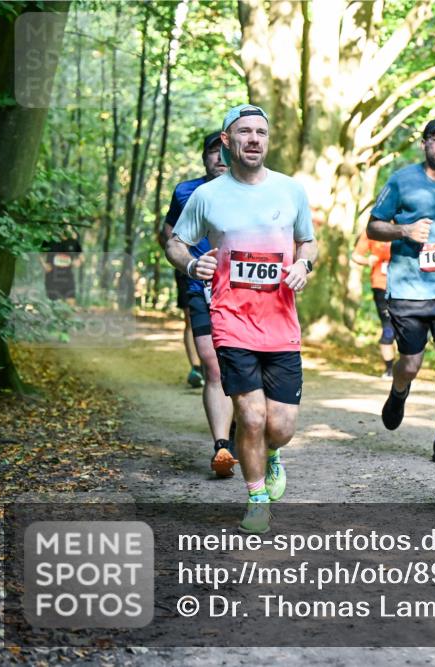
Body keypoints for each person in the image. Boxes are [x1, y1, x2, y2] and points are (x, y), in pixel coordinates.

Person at [166, 104, 317, 534]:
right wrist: (189, 264)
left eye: (260, 133)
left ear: (268, 141)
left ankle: (272, 455)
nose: (254, 139)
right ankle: (256, 498)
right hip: (231, 321)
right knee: (250, 417)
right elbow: (177, 242)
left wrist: (304, 266)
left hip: (281, 323)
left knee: (280, 427)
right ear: (227, 141)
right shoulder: (207, 195)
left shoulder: (291, 191)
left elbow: (308, 242)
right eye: (244, 132)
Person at [367, 118, 435, 466]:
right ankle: (399, 390)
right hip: (409, 288)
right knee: (410, 363)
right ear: (424, 144)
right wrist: (404, 230)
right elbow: (373, 226)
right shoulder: (401, 180)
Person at [158, 131, 237, 478]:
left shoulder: (259, 190)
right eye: (213, 152)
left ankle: (242, 425)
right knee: (213, 366)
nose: (219, 158)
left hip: (247, 292)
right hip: (199, 282)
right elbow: (169, 230)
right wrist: (187, 262)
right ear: (204, 157)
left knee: (241, 364)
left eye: (225, 151)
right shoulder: (186, 191)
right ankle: (222, 447)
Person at [351, 229, 395, 378]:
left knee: (407, 325)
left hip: (407, 285)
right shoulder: (372, 229)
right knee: (388, 325)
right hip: (381, 284)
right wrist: (368, 260)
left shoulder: (407, 221)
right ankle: (390, 369)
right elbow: (356, 255)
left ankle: (405, 366)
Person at [40, 230, 82, 305]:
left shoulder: (73, 242)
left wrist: (77, 262)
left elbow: (81, 256)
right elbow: (40, 253)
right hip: (52, 277)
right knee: (55, 305)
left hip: (68, 277)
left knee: (70, 304)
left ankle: (67, 316)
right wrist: (44, 264)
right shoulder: (49, 240)